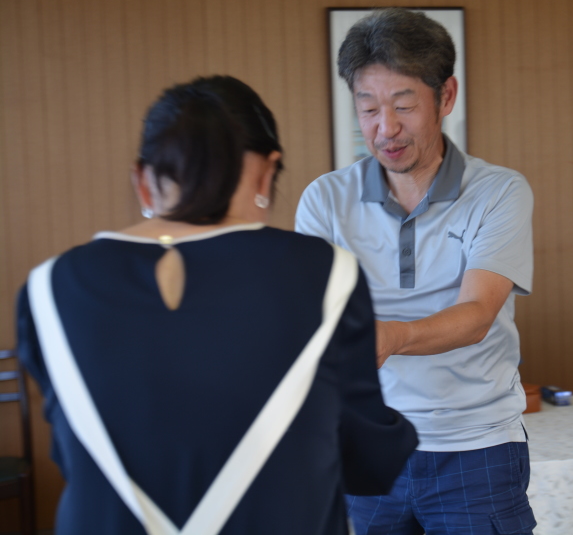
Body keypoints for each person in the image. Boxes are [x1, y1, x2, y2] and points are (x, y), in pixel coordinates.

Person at [16, 76, 417, 535]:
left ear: (142, 181)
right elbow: (369, 460)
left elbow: (73, 453)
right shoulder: (325, 273)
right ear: (267, 171)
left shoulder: (48, 286)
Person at [296, 8, 537, 535]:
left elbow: (477, 314)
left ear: (446, 96)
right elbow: (313, 317)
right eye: (368, 109)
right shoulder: (325, 200)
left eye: (404, 106)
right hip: (366, 443)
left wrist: (391, 336)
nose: (385, 129)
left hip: (476, 446)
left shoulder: (498, 191)